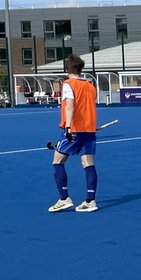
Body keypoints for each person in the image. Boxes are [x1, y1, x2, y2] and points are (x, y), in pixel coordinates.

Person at [49, 55, 100, 213]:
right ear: (81, 69)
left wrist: (69, 128)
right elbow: (88, 108)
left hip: (74, 130)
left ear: (67, 69)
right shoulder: (90, 86)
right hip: (89, 131)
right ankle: (90, 201)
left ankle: (64, 198)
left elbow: (70, 106)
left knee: (58, 161)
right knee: (88, 164)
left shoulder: (68, 84)